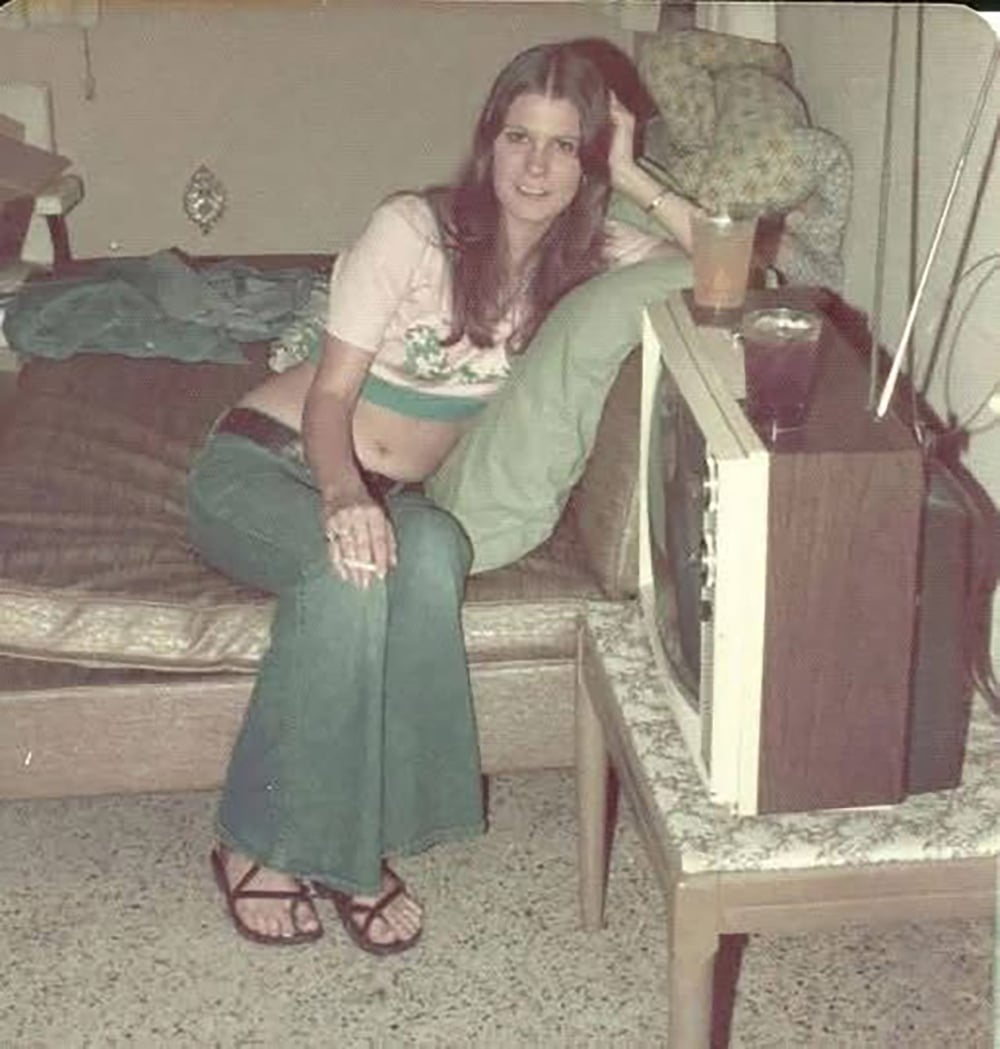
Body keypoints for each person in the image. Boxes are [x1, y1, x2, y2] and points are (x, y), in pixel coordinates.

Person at [185, 39, 697, 953]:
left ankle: (356, 837)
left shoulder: (592, 252)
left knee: (430, 553)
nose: (535, 167)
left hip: (388, 491)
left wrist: (633, 174)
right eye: (518, 137)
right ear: (487, 141)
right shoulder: (413, 231)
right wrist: (343, 497)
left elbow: (738, 271)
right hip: (271, 463)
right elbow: (331, 397)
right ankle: (255, 841)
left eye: (565, 145)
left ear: (588, 162)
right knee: (347, 572)